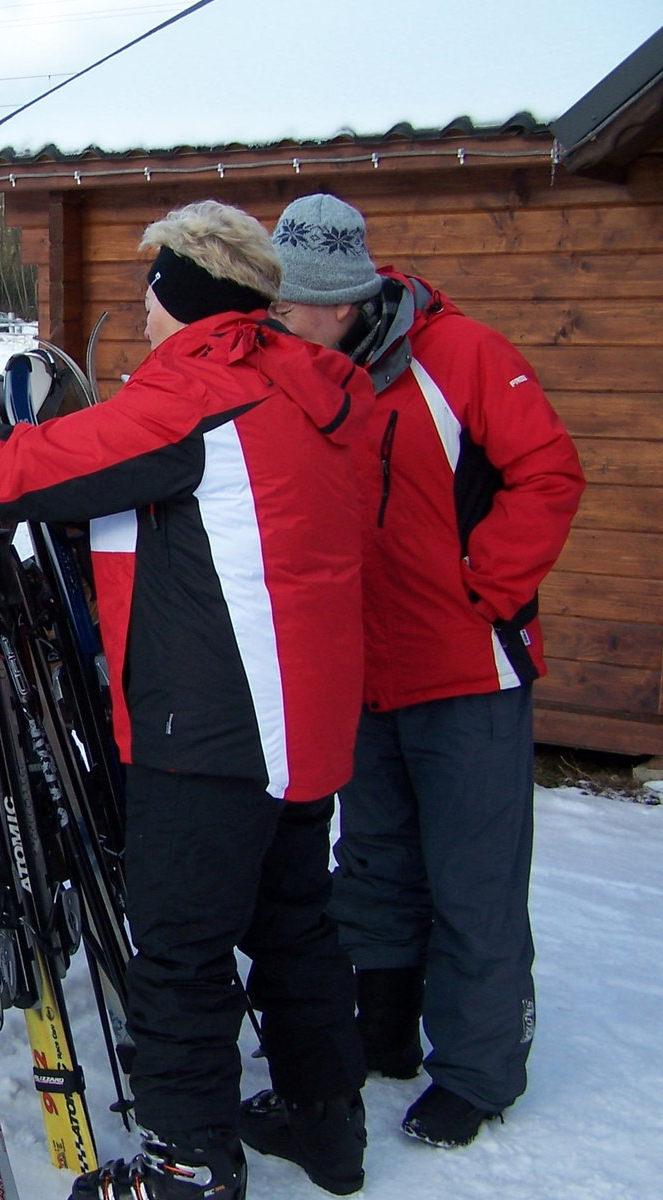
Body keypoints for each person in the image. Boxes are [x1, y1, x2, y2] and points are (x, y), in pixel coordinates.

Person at [0, 200, 371, 1199]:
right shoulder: (314, 385)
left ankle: (187, 1166)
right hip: (302, 717)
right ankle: (326, 1123)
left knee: (180, 946)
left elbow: (13, 473)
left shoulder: (202, 394)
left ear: (184, 298)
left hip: (212, 726)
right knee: (291, 919)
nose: (141, 315)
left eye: (150, 293)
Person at [265, 193, 584, 1149]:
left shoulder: (466, 356)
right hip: (363, 669)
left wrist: (483, 588)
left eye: (293, 303)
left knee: (473, 879)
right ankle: (384, 1029)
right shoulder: (310, 372)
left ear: (347, 298)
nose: (278, 317)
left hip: (468, 669)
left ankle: (479, 1072)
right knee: (374, 865)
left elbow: (551, 474)